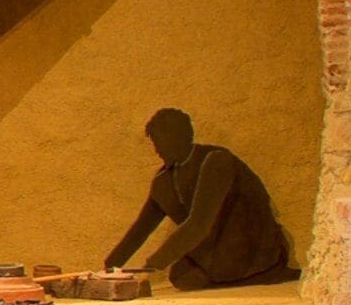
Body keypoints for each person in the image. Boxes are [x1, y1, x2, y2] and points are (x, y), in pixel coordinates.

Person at [104, 107, 296, 290]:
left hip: (250, 248)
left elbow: (198, 224)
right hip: (216, 255)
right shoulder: (164, 180)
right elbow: (141, 229)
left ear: (184, 136)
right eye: (156, 143)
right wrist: (109, 266)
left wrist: (152, 265)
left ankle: (260, 273)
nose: (158, 150)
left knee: (193, 273)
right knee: (181, 276)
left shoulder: (216, 161)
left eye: (162, 141)